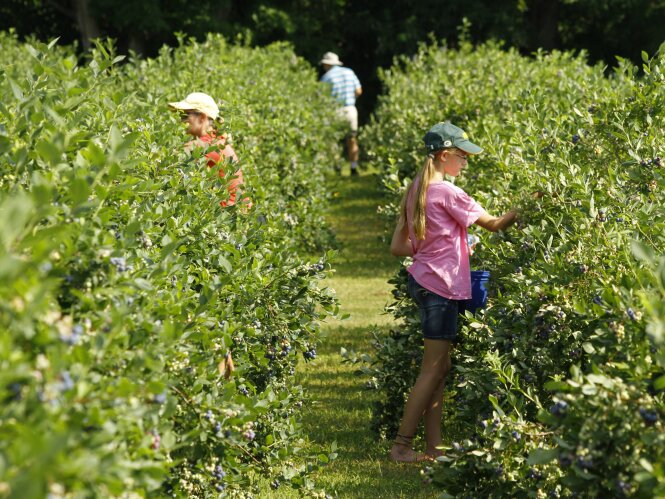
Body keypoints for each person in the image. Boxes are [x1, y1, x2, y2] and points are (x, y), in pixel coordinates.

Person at [388, 122, 518, 462]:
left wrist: (445, 245)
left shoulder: (417, 189)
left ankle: (434, 448)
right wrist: (528, 206)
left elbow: (399, 247)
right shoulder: (447, 192)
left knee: (440, 368)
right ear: (445, 156)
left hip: (423, 281)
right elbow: (495, 224)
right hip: (440, 287)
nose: (465, 163)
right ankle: (401, 447)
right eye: (462, 156)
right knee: (432, 368)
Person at [169, 92, 250, 208]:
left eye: (185, 115)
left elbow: (170, 162)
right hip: (238, 213)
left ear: (202, 118)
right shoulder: (219, 140)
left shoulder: (207, 146)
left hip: (232, 216)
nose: (181, 120)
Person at [319, 52, 362, 176]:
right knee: (352, 139)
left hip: (334, 111)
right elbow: (359, 91)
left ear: (327, 64)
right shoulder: (349, 72)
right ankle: (354, 168)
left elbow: (321, 97)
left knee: (334, 140)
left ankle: (337, 168)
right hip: (350, 109)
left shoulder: (326, 77)